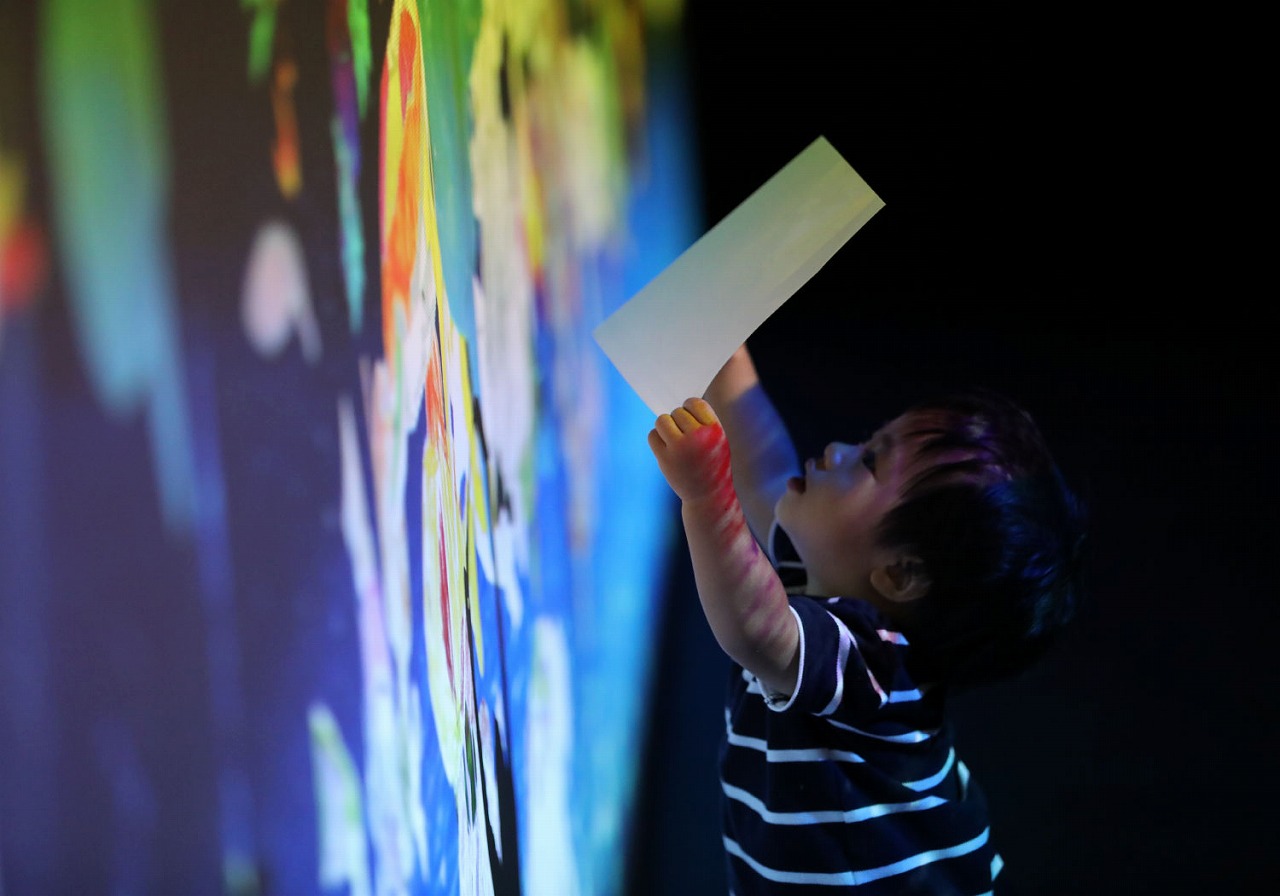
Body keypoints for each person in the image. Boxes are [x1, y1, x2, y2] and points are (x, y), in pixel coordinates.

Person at [647, 344, 1087, 895]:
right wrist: (721, 343)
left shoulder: (875, 668)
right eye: (868, 440)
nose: (838, 449)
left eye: (871, 461)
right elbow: (762, 467)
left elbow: (755, 631)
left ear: (900, 575)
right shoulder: (816, 578)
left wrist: (704, 495)